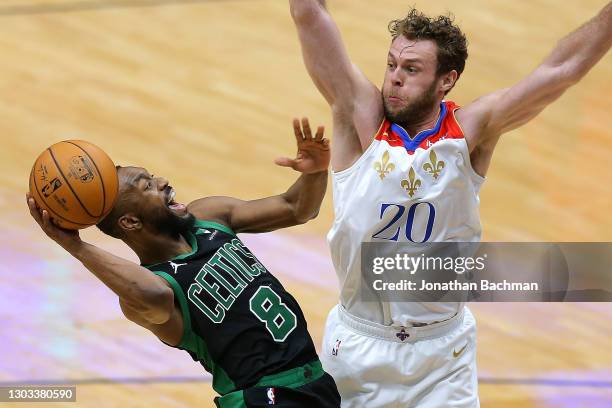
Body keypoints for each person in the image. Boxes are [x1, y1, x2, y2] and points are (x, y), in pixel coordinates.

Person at [289, 1, 612, 406]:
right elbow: (310, 15)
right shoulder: (358, 117)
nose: (394, 79)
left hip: (442, 357)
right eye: (391, 65)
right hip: (359, 348)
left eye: (411, 70)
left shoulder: (471, 130)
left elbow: (561, 70)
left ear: (447, 79)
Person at [26, 118, 341, 408]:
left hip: (314, 380)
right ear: (131, 221)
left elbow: (295, 207)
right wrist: (76, 247)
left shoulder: (208, 216)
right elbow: (153, 295)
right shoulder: (154, 289)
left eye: (152, 176)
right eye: (147, 185)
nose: (162, 181)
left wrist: (313, 172)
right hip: (260, 397)